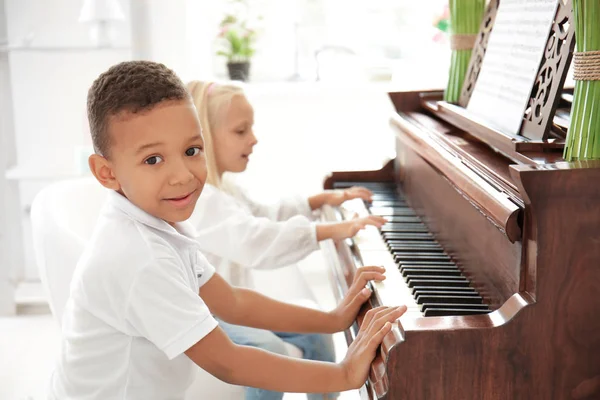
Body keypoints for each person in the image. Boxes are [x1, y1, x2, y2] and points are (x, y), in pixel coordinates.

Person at [47, 60, 406, 400]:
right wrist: (343, 374)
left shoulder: (160, 225)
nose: (183, 175)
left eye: (191, 150)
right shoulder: (139, 258)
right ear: (106, 172)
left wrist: (332, 320)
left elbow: (233, 301)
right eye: (153, 159)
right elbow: (228, 362)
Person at [186, 80, 386, 400]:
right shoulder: (200, 201)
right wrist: (329, 230)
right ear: (205, 138)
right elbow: (255, 241)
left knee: (317, 339)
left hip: (232, 311)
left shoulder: (227, 192)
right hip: (205, 318)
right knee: (268, 348)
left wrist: (318, 201)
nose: (253, 139)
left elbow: (266, 215)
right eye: (241, 131)